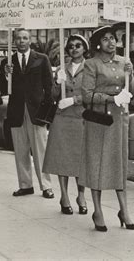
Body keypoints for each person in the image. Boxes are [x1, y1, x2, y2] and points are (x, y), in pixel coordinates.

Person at [79, 26, 134, 232]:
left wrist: (130, 76)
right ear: (98, 44)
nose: (111, 43)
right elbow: (87, 95)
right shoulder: (91, 64)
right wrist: (112, 98)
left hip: (119, 120)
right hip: (99, 121)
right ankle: (98, 210)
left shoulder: (124, 62)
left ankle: (124, 210)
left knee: (119, 164)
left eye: (113, 38)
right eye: (105, 39)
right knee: (97, 164)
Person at [0, 29, 54, 199]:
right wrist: (6, 75)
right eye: (18, 38)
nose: (21, 41)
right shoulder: (7, 62)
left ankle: (46, 186)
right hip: (17, 111)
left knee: (40, 151)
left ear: (30, 40)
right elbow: (2, 88)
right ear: (14, 41)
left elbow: (49, 86)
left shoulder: (42, 59)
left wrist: (48, 111)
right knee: (21, 150)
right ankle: (25, 185)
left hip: (37, 112)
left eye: (25, 38)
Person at [43, 34, 89, 215]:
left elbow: (92, 94)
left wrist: (74, 100)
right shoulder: (62, 68)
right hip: (62, 118)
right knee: (62, 159)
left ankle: (81, 195)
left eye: (78, 45)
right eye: (71, 46)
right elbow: (53, 95)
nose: (74, 49)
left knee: (80, 160)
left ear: (84, 48)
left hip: (81, 117)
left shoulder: (91, 67)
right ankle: (64, 196)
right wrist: (56, 82)